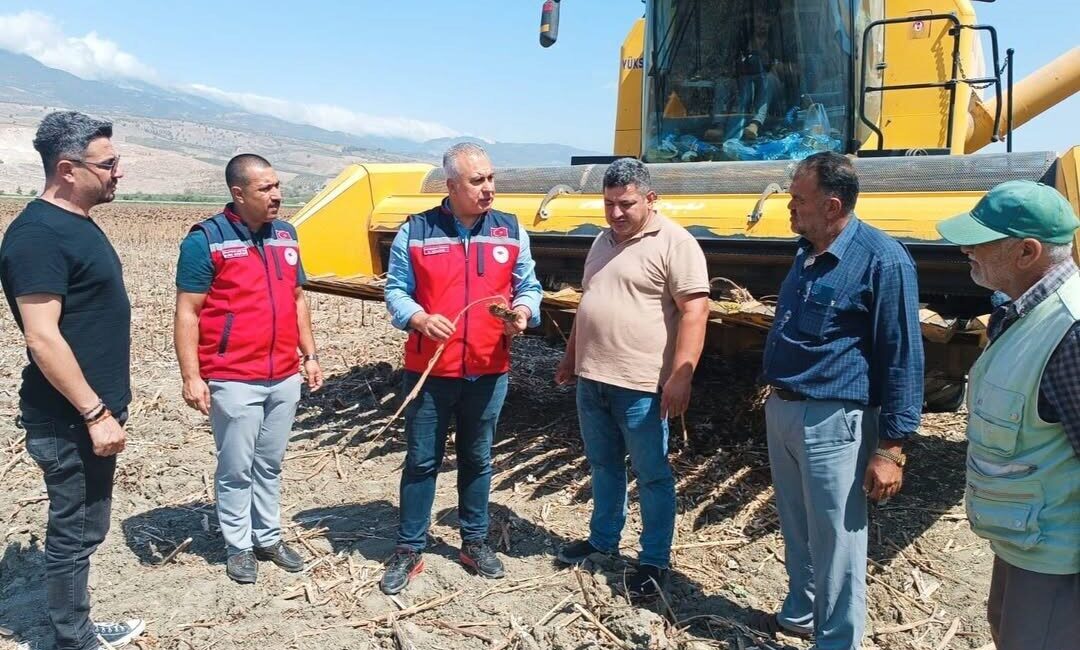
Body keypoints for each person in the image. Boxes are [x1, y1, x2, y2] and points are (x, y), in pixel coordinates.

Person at [757, 151, 923, 648]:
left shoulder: (883, 260)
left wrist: (892, 447)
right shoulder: (806, 250)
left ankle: (837, 640)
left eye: (798, 200)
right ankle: (804, 609)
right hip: (785, 409)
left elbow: (902, 355)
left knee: (838, 538)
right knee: (797, 523)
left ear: (832, 206)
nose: (789, 207)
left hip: (834, 419)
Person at [0, 111, 145, 649]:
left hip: (85, 414)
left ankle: (76, 626)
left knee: (85, 528)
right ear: (67, 169)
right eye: (108, 164)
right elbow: (42, 338)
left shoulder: (74, 224)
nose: (118, 173)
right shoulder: (37, 236)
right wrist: (94, 412)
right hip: (69, 419)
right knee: (75, 531)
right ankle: (73, 640)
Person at [379, 142, 543, 595]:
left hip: (489, 370)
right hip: (431, 373)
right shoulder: (416, 231)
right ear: (451, 185)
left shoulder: (510, 231)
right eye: (477, 181)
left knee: (478, 458)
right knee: (422, 460)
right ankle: (409, 548)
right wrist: (418, 317)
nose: (488, 189)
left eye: (491, 178)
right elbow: (394, 289)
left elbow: (529, 285)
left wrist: (524, 314)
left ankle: (474, 541)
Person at [554, 158, 710, 600]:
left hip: (641, 385)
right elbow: (590, 303)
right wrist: (571, 357)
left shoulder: (675, 243)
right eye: (609, 204)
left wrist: (682, 375)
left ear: (650, 199)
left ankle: (654, 559)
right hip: (593, 379)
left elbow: (695, 310)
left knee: (652, 475)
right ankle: (603, 540)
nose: (616, 213)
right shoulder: (602, 241)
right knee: (604, 466)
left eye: (626, 204)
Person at [936, 180, 1080, 649]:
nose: (966, 249)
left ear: (1027, 252)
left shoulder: (1071, 333)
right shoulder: (1022, 315)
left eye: (980, 241)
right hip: (1026, 539)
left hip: (1057, 555)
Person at [173, 154, 324, 584]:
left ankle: (268, 536)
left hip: (283, 373)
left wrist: (309, 354)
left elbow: (297, 299)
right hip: (233, 375)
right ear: (238, 194)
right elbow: (188, 311)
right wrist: (191, 376)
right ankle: (238, 545)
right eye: (266, 189)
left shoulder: (286, 235)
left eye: (277, 186)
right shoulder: (206, 239)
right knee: (237, 466)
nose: (277, 195)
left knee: (270, 462)